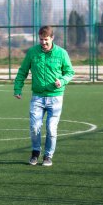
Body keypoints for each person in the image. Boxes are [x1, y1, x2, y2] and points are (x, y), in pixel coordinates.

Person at [14, 25, 75, 167]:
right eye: (41, 39)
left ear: (52, 38)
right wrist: (18, 88)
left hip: (56, 97)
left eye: (46, 39)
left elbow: (70, 72)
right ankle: (35, 152)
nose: (43, 42)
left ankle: (48, 155)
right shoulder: (32, 53)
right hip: (37, 97)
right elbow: (22, 71)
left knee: (51, 129)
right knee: (34, 127)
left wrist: (63, 81)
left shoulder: (62, 53)